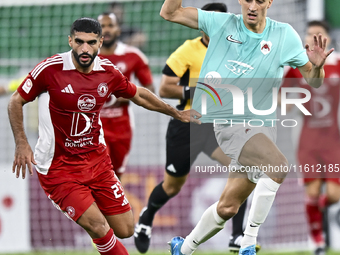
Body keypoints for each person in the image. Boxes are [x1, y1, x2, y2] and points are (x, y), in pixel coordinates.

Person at [7, 17, 200, 255]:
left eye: (90, 42)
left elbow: (138, 94)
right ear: (70, 41)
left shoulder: (108, 72)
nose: (84, 48)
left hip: (97, 162)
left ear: (101, 42)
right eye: (79, 42)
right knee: (98, 226)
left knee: (126, 228)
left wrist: (176, 112)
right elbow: (16, 100)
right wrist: (21, 142)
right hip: (59, 168)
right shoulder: (51, 68)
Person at [159, 0, 333, 254]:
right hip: (229, 122)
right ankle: (248, 243)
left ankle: (183, 248)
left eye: (259, 0)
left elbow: (314, 82)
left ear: (269, 2)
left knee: (228, 207)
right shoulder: (220, 23)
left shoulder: (284, 35)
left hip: (262, 128)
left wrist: (317, 67)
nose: (252, 5)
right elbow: (169, 12)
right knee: (278, 166)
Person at [134, 2, 258, 254]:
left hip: (219, 127)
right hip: (187, 125)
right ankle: (146, 219)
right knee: (172, 186)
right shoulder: (187, 50)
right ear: (202, 23)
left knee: (244, 169)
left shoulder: (237, 50)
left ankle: (236, 236)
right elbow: (164, 88)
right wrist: (199, 90)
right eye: (211, 20)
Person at [283, 20, 340, 255]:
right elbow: (282, 102)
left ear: (328, 40)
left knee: (334, 194)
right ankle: (317, 242)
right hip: (307, 139)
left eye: (319, 34)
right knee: (313, 191)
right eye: (310, 34)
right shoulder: (296, 68)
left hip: (333, 138)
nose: (314, 38)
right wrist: (290, 99)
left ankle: (315, 210)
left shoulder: (338, 66)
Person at [97, 12, 154, 179]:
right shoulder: (87, 57)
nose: (106, 30)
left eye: (110, 26)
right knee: (99, 172)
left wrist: (126, 95)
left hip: (122, 126)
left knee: (116, 175)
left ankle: (113, 206)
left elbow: (150, 89)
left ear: (118, 30)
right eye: (102, 26)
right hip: (94, 126)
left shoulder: (133, 56)